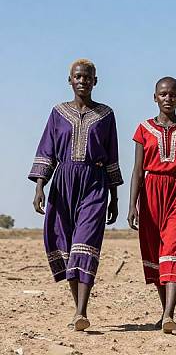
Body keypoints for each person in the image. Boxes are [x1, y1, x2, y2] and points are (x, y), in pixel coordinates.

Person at [29, 59, 122, 331]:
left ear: (96, 81)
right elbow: (47, 150)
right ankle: (76, 309)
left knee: (85, 243)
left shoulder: (106, 115)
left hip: (95, 182)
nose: (82, 81)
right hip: (63, 182)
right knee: (65, 245)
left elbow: (112, 155)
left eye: (87, 77)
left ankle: (82, 311)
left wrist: (114, 197)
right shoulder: (58, 113)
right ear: (70, 80)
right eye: (78, 77)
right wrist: (39, 186)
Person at [128, 77, 176, 334]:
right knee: (156, 253)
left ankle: (170, 312)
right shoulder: (143, 129)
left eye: (173, 94)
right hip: (151, 193)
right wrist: (132, 205)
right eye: (163, 94)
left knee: (174, 247)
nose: (168, 98)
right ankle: (165, 313)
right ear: (155, 97)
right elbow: (138, 171)